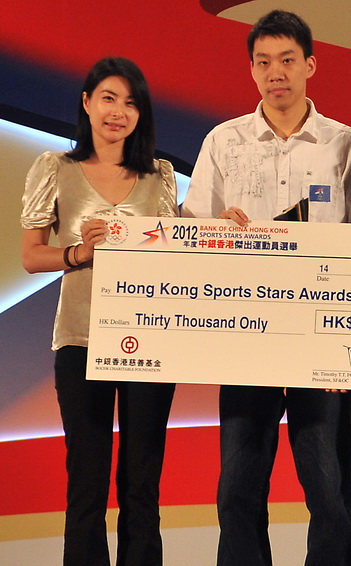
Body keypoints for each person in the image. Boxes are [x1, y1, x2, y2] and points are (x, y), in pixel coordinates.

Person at [181, 9, 351, 566]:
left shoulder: (345, 145)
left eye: (288, 61)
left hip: (323, 335)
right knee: (238, 484)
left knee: (328, 485)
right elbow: (192, 227)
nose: (276, 73)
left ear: (310, 66)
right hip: (247, 332)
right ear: (251, 71)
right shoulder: (224, 142)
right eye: (264, 62)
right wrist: (214, 230)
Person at [21, 57, 178, 566]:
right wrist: (76, 254)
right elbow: (30, 255)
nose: (119, 112)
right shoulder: (56, 168)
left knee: (142, 486)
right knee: (86, 484)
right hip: (80, 342)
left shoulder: (160, 175)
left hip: (150, 343)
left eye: (131, 103)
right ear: (87, 102)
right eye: (109, 98)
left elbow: (176, 253)